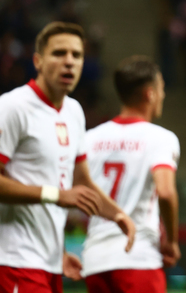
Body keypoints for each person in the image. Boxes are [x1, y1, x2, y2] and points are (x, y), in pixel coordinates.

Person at [0, 22, 136, 293]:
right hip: (13, 262)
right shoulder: (12, 107)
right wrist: (57, 195)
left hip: (49, 265)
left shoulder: (74, 111)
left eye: (76, 55)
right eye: (59, 53)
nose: (69, 62)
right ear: (38, 61)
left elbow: (81, 181)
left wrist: (119, 215)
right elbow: (63, 193)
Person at [82, 56, 181, 293]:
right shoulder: (160, 138)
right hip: (137, 257)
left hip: (95, 260)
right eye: (162, 89)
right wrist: (172, 242)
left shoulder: (89, 139)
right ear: (150, 93)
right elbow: (166, 192)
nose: (163, 96)